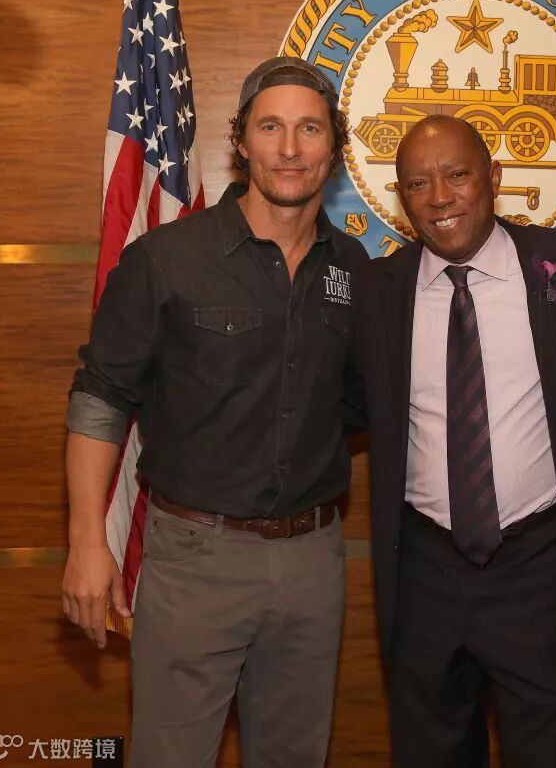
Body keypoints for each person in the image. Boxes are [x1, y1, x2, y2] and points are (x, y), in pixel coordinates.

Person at [61, 56, 368, 767]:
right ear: (241, 142)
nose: (289, 148)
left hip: (314, 561)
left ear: (334, 148)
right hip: (195, 561)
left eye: (309, 129)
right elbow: (100, 398)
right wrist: (85, 542)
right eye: (270, 127)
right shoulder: (166, 259)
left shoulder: (354, 269)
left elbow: (354, 405)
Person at [356, 115, 556, 768]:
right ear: (400, 197)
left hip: (539, 565)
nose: (440, 197)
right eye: (418, 184)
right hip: (423, 571)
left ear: (493, 177)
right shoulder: (377, 291)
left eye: (458, 174)